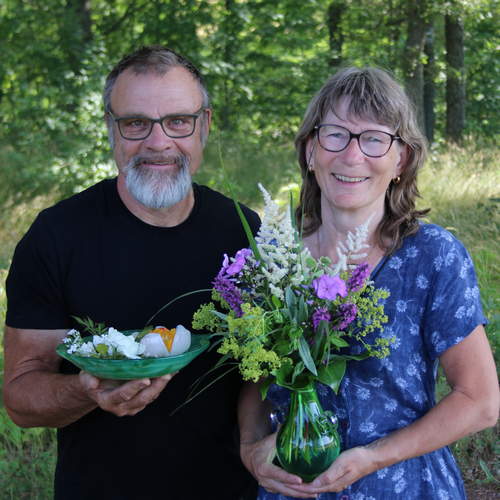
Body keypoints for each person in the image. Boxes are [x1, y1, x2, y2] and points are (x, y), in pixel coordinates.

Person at [3, 45, 259, 500]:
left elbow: (260, 375)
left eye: (178, 121)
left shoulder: (245, 233)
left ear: (205, 125)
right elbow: (21, 396)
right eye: (136, 123)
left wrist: (258, 443)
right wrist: (87, 390)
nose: (158, 142)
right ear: (111, 128)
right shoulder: (57, 236)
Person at [238, 67, 499, 499]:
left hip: (405, 487)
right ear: (309, 149)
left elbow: (479, 402)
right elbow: (254, 376)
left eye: (375, 138)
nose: (352, 155)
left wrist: (373, 457)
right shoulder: (274, 258)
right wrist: (250, 449)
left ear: (402, 159)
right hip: (295, 490)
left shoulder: (433, 256)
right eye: (335, 134)